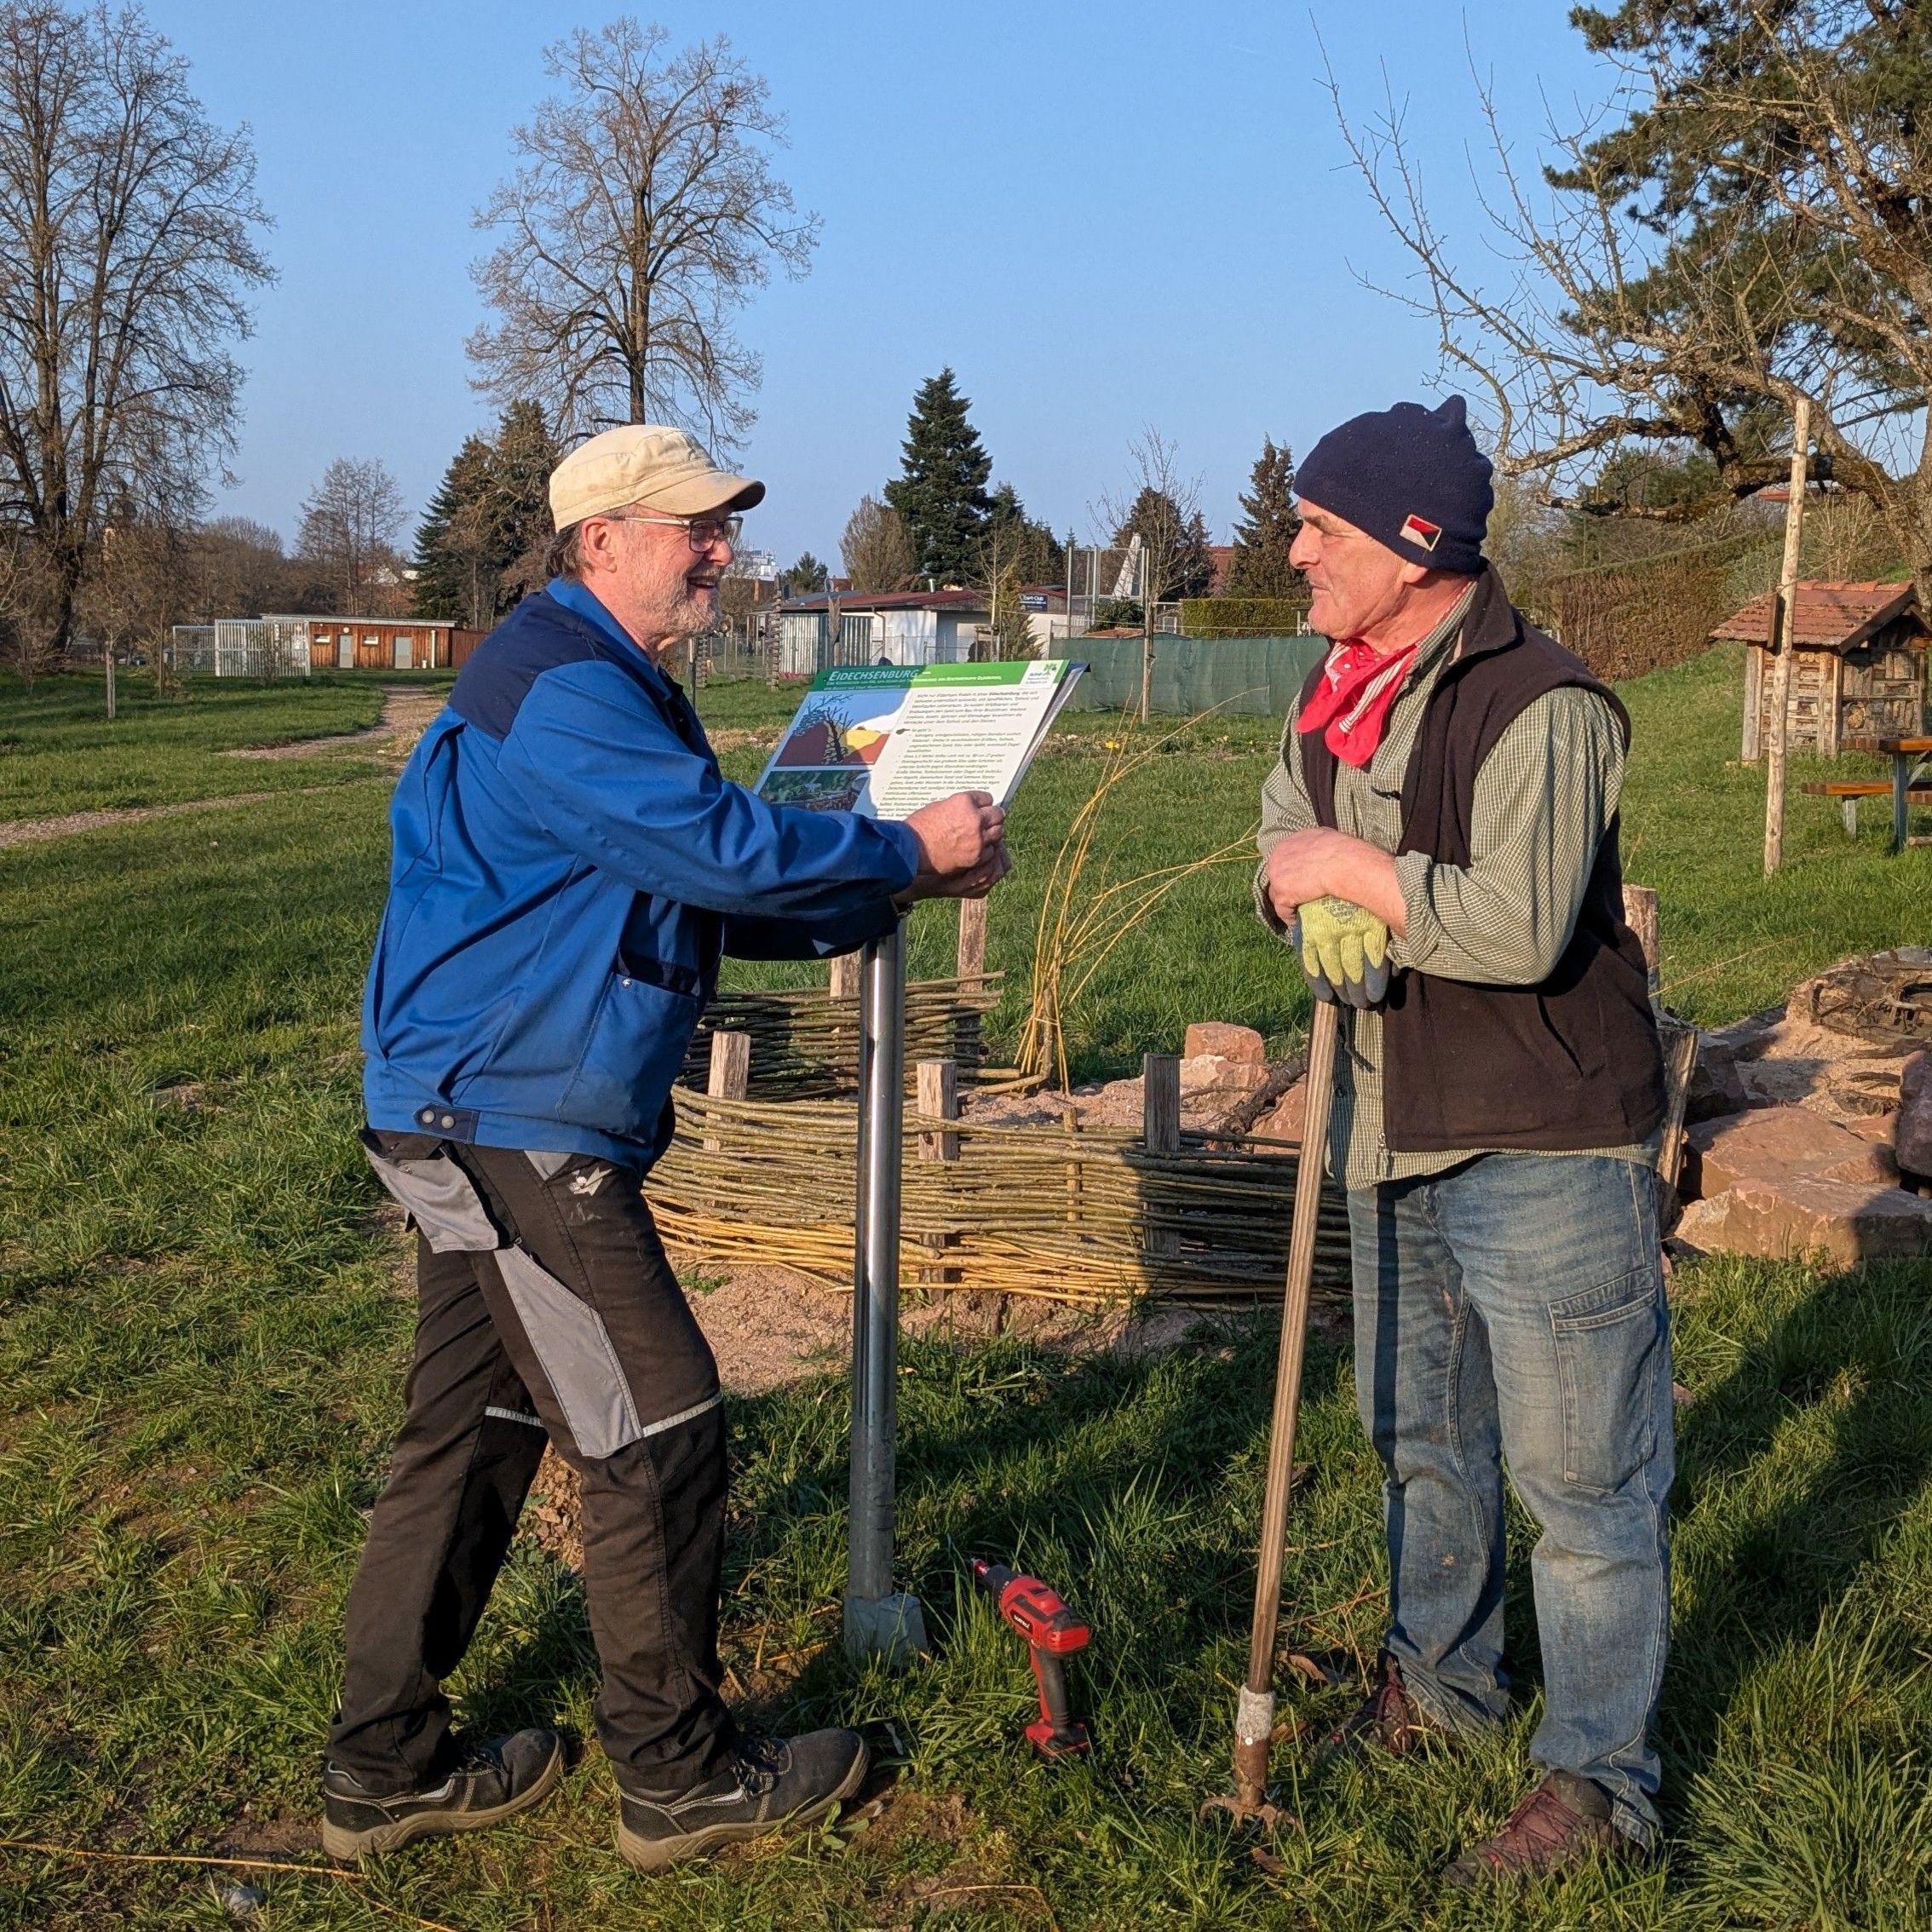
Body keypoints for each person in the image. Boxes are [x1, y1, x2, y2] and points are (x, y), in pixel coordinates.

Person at [323, 424, 1009, 1872]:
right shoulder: (570, 689)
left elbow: (681, 894)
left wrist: (875, 892)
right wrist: (898, 851)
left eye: (720, 525)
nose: (719, 549)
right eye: (691, 526)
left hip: (471, 1100)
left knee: (477, 1429)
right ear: (600, 544)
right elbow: (714, 849)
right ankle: (678, 1774)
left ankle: (383, 1766)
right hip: (508, 1114)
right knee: (663, 1421)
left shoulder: (590, 682)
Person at [1256, 397, 1671, 1883]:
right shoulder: (1334, 688)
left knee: (1586, 1490)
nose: (1292, 550)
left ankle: (1605, 1786)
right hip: (1392, 1128)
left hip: (1546, 1137)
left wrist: (1359, 869)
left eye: (1320, 529)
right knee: (1422, 1446)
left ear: (1414, 548)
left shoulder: (1545, 705)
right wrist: (1298, 894)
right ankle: (1441, 1687)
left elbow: (1514, 921)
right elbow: (1273, 825)